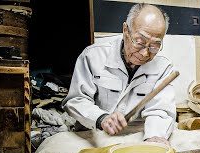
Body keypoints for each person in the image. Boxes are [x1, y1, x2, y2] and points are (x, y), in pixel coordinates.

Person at [62, 3, 176, 145]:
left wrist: (155, 136)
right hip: (95, 134)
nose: (144, 53)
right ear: (125, 30)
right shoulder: (93, 55)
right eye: (139, 42)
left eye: (154, 46)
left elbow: (160, 110)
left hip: (138, 136)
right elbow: (76, 100)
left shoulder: (163, 67)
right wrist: (101, 118)